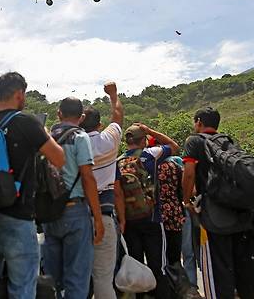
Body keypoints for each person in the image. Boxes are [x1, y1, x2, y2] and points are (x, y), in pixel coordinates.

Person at [0, 72, 65, 298]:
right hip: (18, 218)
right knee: (22, 289)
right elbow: (59, 159)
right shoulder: (26, 122)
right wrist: (45, 133)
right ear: (19, 94)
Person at [182, 107, 254, 299]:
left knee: (217, 270)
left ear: (199, 122)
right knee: (245, 269)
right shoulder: (227, 142)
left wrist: (186, 200)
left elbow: (188, 173)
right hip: (241, 214)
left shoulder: (194, 141)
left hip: (213, 217)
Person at [42, 97, 104, 299]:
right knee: (77, 281)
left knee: (53, 280)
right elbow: (87, 178)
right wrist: (97, 218)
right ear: (82, 117)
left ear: (59, 113)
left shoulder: (47, 137)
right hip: (74, 211)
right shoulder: (80, 136)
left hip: (49, 213)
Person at [120, 123, 179, 299]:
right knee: (158, 266)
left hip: (130, 222)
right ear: (143, 140)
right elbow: (174, 146)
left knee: (137, 266)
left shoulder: (119, 161)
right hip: (152, 218)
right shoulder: (150, 155)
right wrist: (150, 131)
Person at [80, 81, 124, 299]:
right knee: (104, 279)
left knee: (77, 278)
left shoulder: (72, 144)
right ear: (99, 125)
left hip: (77, 216)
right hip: (104, 216)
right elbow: (117, 116)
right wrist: (113, 95)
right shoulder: (109, 141)